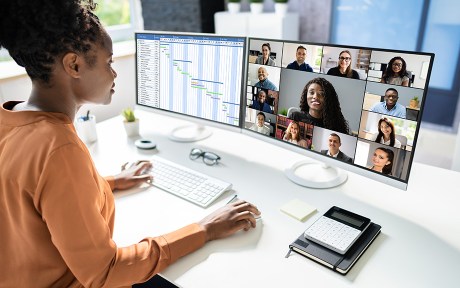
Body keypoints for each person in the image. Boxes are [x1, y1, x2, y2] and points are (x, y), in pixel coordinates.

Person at [0, 1, 261, 287]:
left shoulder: (9, 119)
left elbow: (35, 195)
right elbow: (106, 272)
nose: (114, 73)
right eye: (109, 62)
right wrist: (205, 228)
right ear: (74, 64)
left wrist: (107, 183)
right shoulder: (58, 149)